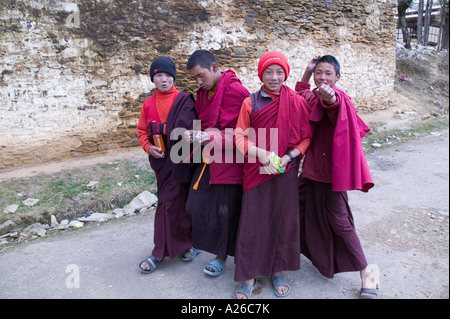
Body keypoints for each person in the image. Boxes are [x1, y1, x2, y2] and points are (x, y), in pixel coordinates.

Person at [296, 55, 380, 299]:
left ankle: (368, 272)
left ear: (337, 77)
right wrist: (306, 71)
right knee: (292, 209)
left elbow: (333, 104)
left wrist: (329, 98)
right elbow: (300, 95)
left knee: (341, 223)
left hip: (330, 176)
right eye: (318, 73)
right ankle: (309, 255)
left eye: (328, 73)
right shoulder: (312, 94)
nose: (322, 77)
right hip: (310, 172)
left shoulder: (339, 99)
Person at [233, 51, 313, 299]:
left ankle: (277, 270)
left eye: (279, 72)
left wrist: (289, 157)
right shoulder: (250, 102)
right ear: (261, 74)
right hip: (257, 170)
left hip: (284, 171)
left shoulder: (296, 101)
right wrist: (259, 153)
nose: (274, 77)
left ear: (286, 74)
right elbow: (238, 137)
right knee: (252, 222)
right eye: (269, 72)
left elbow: (306, 138)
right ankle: (248, 273)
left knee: (281, 221)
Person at [184, 49, 249, 277]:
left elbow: (246, 132)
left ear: (214, 67)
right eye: (195, 79)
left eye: (201, 75)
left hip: (231, 161)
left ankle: (221, 257)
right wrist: (196, 136)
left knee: (225, 211)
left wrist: (210, 136)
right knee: (194, 205)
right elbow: (202, 121)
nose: (199, 82)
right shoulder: (203, 93)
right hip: (208, 157)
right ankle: (201, 243)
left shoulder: (236, 91)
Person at [136, 56, 200, 273]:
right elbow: (143, 131)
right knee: (166, 204)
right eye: (159, 75)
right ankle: (161, 250)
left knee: (183, 204)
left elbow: (191, 128)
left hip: (183, 159)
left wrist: (163, 129)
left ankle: (180, 245)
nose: (164, 80)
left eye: (168, 75)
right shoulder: (148, 103)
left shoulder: (184, 100)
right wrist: (148, 147)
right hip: (162, 162)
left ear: (173, 77)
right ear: (153, 79)